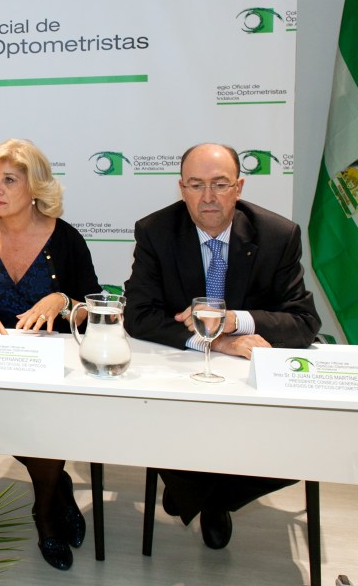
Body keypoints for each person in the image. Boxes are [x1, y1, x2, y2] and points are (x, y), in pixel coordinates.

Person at [124, 142, 321, 550]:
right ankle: (197, 489)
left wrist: (235, 320)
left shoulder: (278, 235)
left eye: (220, 184)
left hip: (251, 385)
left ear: (239, 187)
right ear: (182, 189)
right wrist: (213, 341)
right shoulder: (156, 231)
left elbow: (304, 322)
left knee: (304, 447)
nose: (208, 197)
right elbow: (139, 315)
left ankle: (203, 496)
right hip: (181, 376)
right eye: (196, 185)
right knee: (152, 420)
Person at [0, 138, 99, 572]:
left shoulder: (66, 239)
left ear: (35, 187)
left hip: (51, 373)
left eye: (9, 180)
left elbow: (94, 308)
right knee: (25, 423)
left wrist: (62, 302)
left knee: (45, 418)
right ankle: (54, 492)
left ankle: (43, 511)